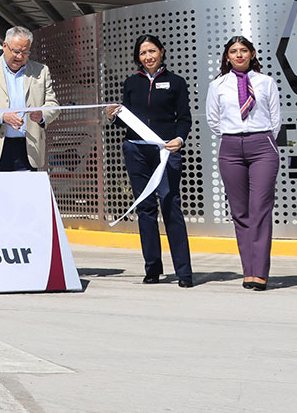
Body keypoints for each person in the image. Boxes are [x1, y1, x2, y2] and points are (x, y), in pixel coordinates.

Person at [105, 35, 193, 287]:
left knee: (170, 206)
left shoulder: (176, 82)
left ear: (162, 52)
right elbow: (126, 117)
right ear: (138, 57)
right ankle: (152, 269)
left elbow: (184, 118)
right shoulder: (131, 83)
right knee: (145, 209)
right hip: (136, 151)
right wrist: (111, 115)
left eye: (152, 51)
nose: (148, 57)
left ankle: (184, 272)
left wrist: (180, 139)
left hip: (166, 153)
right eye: (143, 53)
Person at [206, 35, 282, 291]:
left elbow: (275, 118)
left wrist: (258, 136)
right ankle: (247, 271)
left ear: (252, 54)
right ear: (227, 57)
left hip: (262, 146)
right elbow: (213, 120)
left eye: (243, 50)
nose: (239, 55)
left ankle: (260, 273)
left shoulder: (266, 82)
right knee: (239, 212)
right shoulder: (218, 85)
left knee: (260, 208)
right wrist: (234, 133)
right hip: (230, 147)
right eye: (233, 51)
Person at [0, 26, 58, 171]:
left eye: (25, 52)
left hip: (29, 149)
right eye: (16, 51)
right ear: (4, 46)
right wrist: (2, 117)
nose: (20, 57)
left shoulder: (41, 70)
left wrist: (42, 115)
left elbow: (52, 104)